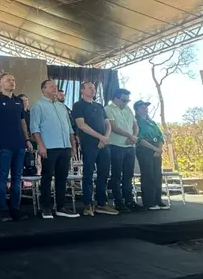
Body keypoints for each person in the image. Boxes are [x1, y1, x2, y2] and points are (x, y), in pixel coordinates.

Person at [0, 73, 33, 221]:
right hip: (3, 145)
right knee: (2, 178)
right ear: (0, 83)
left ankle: (15, 209)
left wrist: (27, 139)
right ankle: (2, 210)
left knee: (17, 178)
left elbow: (23, 122)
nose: (11, 82)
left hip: (19, 145)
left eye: (13, 80)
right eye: (8, 80)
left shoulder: (18, 101)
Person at [30, 79, 77, 219]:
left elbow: (69, 129)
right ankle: (46, 207)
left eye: (55, 87)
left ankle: (61, 207)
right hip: (49, 147)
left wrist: (73, 145)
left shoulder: (62, 107)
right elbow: (34, 128)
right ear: (43, 89)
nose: (54, 88)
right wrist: (41, 145)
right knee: (47, 177)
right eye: (51, 87)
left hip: (65, 147)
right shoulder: (38, 106)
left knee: (62, 177)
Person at [72, 82, 117, 216]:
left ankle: (101, 204)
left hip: (104, 144)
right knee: (88, 174)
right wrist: (100, 137)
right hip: (89, 144)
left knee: (103, 174)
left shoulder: (99, 106)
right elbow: (81, 125)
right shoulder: (78, 105)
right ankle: (88, 204)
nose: (93, 90)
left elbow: (107, 124)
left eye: (94, 88)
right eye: (90, 88)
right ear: (82, 90)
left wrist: (106, 137)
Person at [105, 88, 142, 212]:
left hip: (130, 146)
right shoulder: (108, 109)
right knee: (116, 175)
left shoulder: (128, 109)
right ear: (115, 98)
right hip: (116, 146)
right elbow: (114, 127)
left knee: (128, 175)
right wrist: (129, 136)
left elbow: (135, 125)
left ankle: (129, 201)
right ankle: (118, 202)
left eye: (128, 100)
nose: (126, 102)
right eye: (124, 100)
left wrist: (134, 137)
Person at [134, 101, 165, 210]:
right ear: (137, 110)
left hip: (156, 149)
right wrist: (154, 148)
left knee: (157, 174)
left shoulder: (152, 122)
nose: (145, 109)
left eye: (146, 107)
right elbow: (139, 138)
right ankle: (149, 202)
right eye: (142, 107)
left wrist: (159, 148)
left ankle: (158, 200)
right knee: (148, 175)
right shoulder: (136, 121)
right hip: (145, 149)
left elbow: (160, 136)